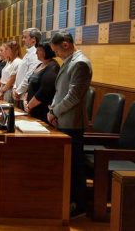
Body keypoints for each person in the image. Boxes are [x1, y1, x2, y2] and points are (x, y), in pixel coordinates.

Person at [48, 30, 92, 217]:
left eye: (57, 51)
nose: (56, 55)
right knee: (68, 163)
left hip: (72, 122)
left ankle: (79, 205)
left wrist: (54, 111)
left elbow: (73, 96)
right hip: (63, 118)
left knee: (74, 165)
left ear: (65, 45)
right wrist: (53, 109)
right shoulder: (70, 61)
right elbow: (61, 91)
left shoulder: (80, 63)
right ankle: (68, 199)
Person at [24, 42, 59, 123]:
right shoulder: (39, 65)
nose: (36, 52)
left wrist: (29, 106)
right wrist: (25, 100)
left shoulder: (53, 67)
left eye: (38, 50)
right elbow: (30, 83)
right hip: (31, 108)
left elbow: (44, 92)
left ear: (47, 51)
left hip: (41, 110)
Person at [13, 28, 42, 109]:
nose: (23, 40)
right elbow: (20, 73)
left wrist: (18, 91)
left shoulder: (35, 54)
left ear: (33, 40)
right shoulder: (28, 53)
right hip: (19, 93)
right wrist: (15, 87)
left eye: (25, 37)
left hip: (25, 95)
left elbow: (29, 75)